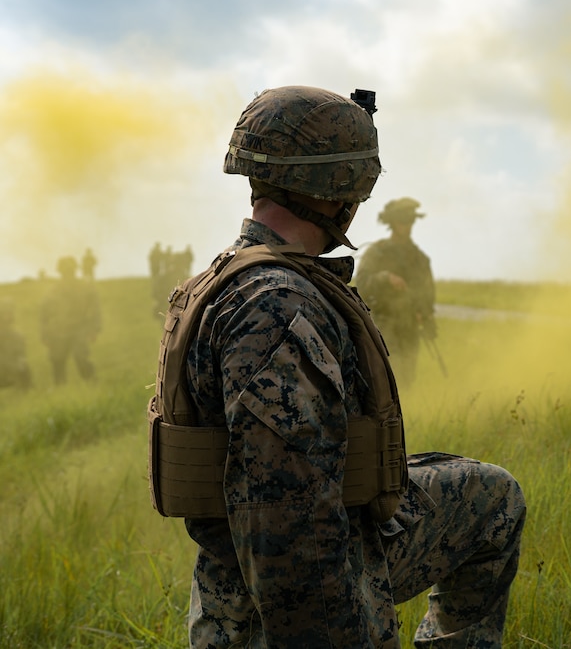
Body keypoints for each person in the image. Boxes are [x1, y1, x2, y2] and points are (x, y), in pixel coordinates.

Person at [147, 85, 525, 648]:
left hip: (264, 560)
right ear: (342, 186)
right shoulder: (276, 307)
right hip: (298, 594)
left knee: (490, 496)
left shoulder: (239, 277)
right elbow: (286, 521)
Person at [355, 197, 437, 386]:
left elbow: (427, 294)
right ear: (392, 222)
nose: (407, 225)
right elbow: (362, 285)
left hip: (409, 327)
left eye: (410, 220)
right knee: (383, 380)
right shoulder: (377, 252)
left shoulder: (420, 259)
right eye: (403, 220)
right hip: (383, 325)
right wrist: (385, 278)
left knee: (407, 380)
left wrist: (426, 317)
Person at [39, 255, 100, 385]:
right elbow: (44, 314)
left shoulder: (85, 288)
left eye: (70, 271)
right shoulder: (53, 290)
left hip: (79, 329)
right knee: (57, 360)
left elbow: (95, 310)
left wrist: (94, 329)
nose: (68, 274)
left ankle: (92, 383)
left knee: (81, 357)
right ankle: (60, 389)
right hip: (58, 331)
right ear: (60, 272)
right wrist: (45, 335)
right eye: (65, 271)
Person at [0, 298, 31, 389]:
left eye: (9, 312)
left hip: (11, 358)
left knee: (24, 367)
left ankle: (28, 389)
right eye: (6, 312)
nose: (8, 315)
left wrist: (21, 358)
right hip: (4, 359)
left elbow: (20, 348)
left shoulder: (14, 333)